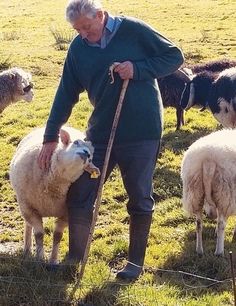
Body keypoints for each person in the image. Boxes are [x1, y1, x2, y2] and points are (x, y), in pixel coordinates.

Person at [38, 0, 184, 281]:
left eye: (87, 27)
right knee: (80, 192)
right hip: (101, 132)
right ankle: (73, 261)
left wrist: (138, 69)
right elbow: (65, 93)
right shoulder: (79, 49)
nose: (82, 34)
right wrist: (49, 136)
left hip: (142, 130)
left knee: (139, 195)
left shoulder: (133, 30)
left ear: (101, 16)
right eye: (77, 29)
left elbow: (174, 56)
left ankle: (134, 264)